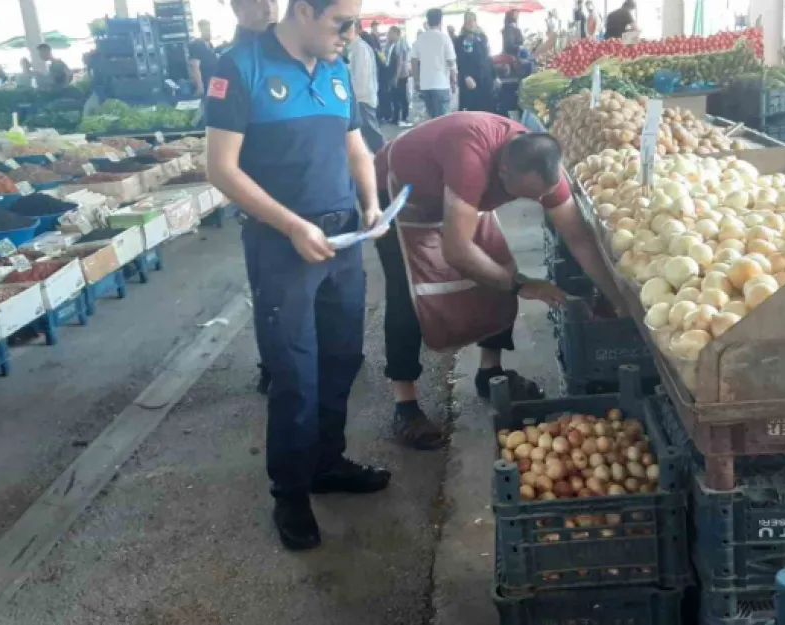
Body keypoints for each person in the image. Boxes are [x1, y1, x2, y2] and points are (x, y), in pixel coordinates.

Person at [205, 0, 389, 551]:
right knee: (294, 374)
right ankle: (290, 494)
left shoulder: (335, 68)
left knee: (342, 357)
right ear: (304, 11)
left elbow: (355, 147)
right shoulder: (239, 68)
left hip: (342, 241)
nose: (351, 35)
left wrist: (372, 204)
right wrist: (290, 226)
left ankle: (327, 463)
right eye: (342, 23)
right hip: (282, 247)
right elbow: (220, 166)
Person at [373, 112, 623, 449]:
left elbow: (578, 238)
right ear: (503, 173)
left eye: (538, 197)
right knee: (409, 295)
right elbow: (457, 251)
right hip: (400, 193)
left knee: (499, 263)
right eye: (524, 195)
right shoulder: (470, 159)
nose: (533, 201)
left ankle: (490, 372)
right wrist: (521, 285)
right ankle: (406, 405)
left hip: (458, 194)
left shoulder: (541, 167)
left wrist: (618, 299)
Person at [344, 20, 384, 152]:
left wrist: (351, 97)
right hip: (359, 98)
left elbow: (360, 78)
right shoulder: (352, 48)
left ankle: (385, 161)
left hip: (361, 99)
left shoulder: (360, 48)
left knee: (372, 135)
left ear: (355, 29)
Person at [411, 8, 456, 119]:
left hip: (425, 85)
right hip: (441, 84)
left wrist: (416, 80)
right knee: (444, 120)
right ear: (440, 21)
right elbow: (451, 61)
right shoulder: (445, 38)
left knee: (432, 119)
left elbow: (413, 60)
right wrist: (454, 81)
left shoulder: (420, 38)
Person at [455, 11, 495, 114]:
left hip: (485, 79)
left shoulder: (482, 37)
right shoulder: (460, 40)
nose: (471, 23)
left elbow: (488, 57)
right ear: (464, 23)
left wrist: (495, 75)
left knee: (488, 109)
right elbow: (459, 61)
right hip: (471, 79)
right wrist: (465, 76)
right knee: (473, 111)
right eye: (468, 21)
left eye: (473, 20)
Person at [384, 26, 411, 126]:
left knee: (402, 96)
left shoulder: (400, 43)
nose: (389, 35)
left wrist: (396, 76)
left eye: (390, 33)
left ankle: (404, 117)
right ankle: (395, 117)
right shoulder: (391, 44)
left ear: (396, 33)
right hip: (393, 73)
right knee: (394, 97)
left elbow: (400, 60)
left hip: (400, 75)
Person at [189, 19, 220, 98]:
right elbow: (195, 67)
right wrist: (200, 87)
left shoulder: (210, 44)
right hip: (207, 84)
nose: (209, 32)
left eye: (209, 30)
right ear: (200, 30)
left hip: (216, 83)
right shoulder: (196, 45)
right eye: (206, 30)